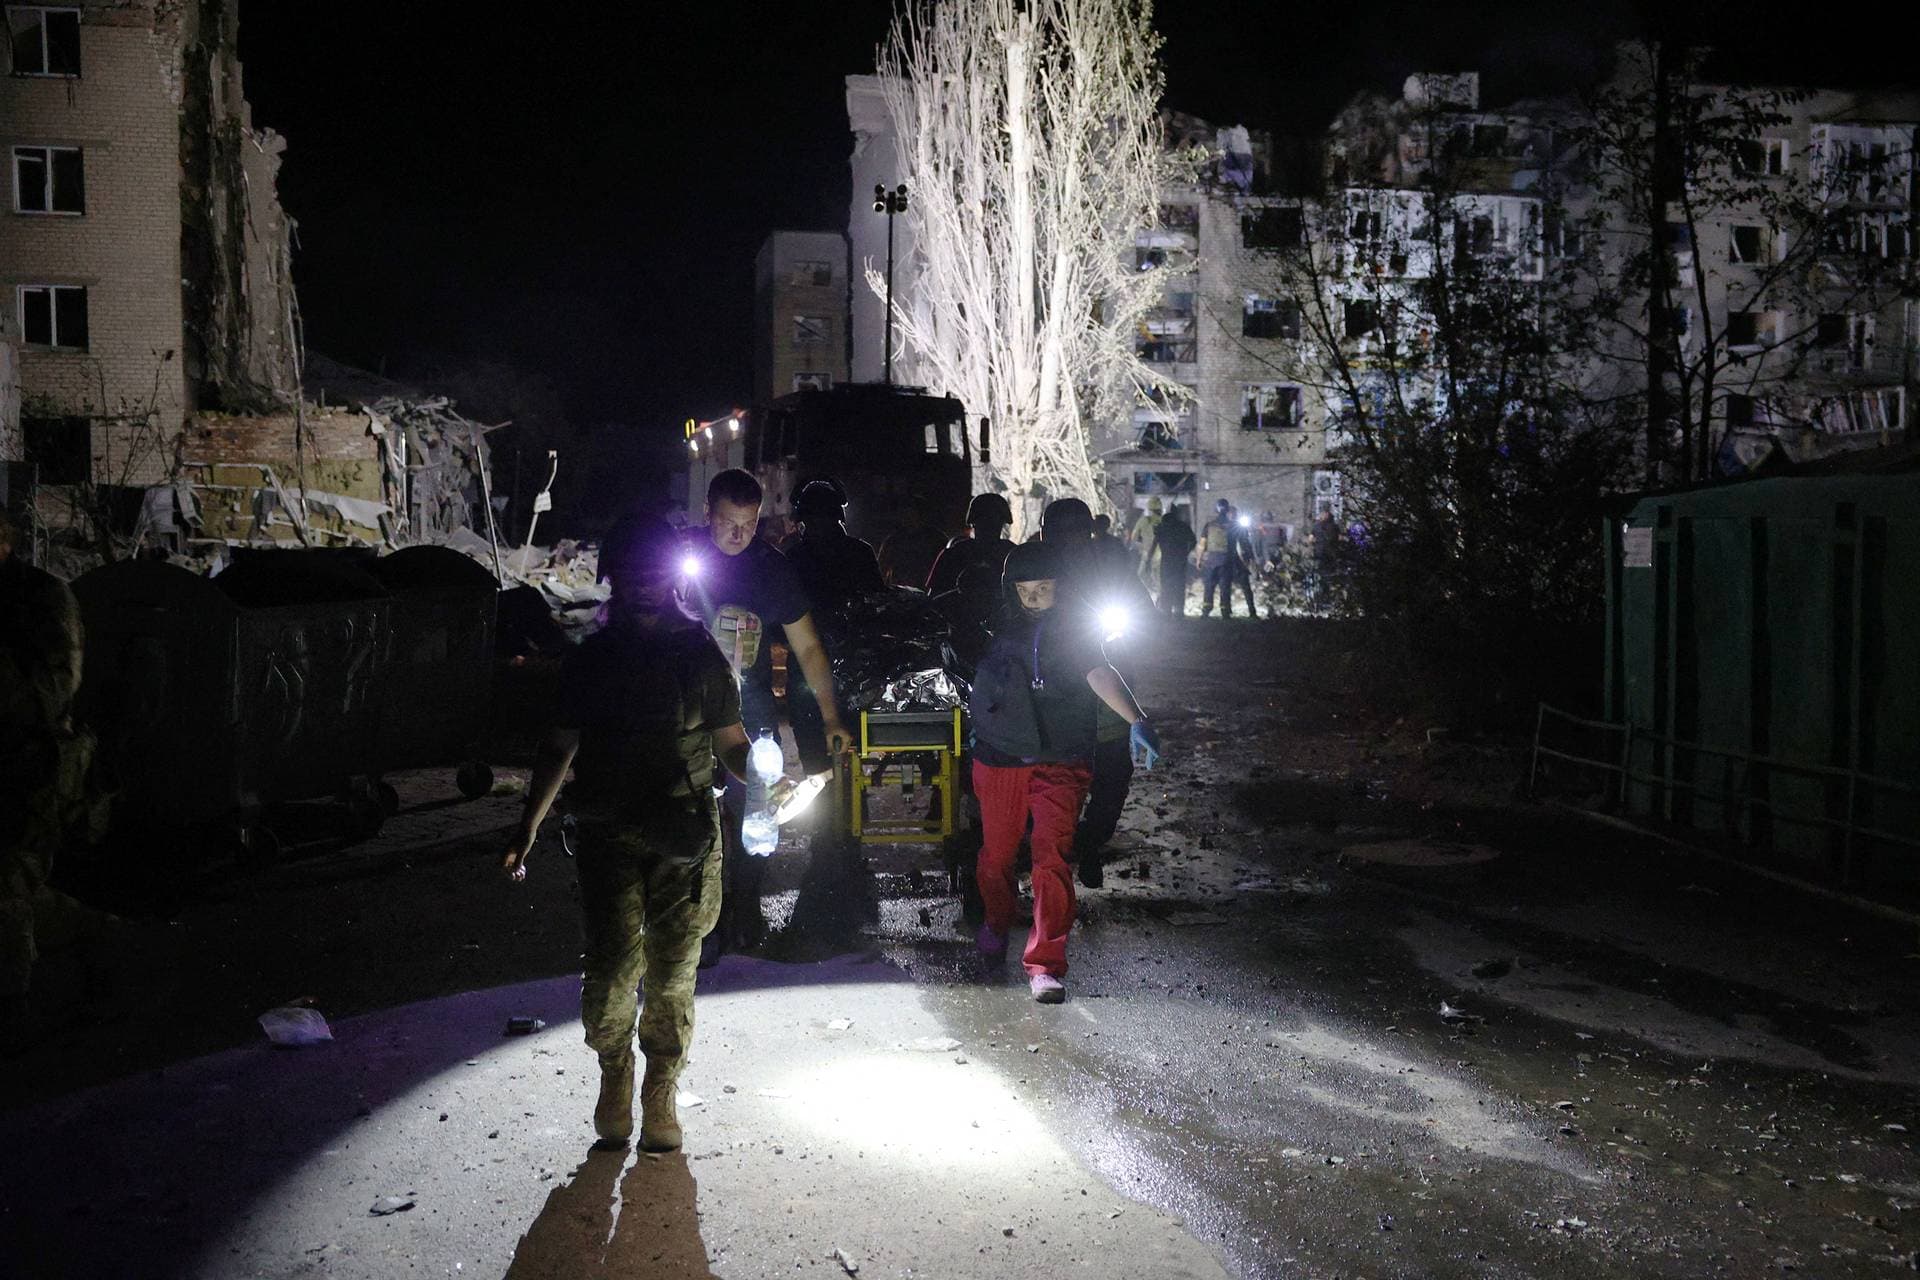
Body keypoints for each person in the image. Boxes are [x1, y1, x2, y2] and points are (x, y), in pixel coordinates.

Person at [502, 513, 755, 1153]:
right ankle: (615, 1072)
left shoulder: (699, 653)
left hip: (684, 835)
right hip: (608, 831)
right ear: (614, 576)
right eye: (631, 571)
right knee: (612, 973)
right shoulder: (592, 660)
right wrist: (527, 826)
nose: (643, 583)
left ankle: (660, 1089)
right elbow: (559, 744)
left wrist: (767, 778)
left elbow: (730, 742)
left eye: (653, 571)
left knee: (672, 975)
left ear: (670, 577)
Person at [969, 542, 1160, 1003]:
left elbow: (1100, 673)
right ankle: (997, 921)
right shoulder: (994, 626)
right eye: (1024, 590)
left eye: (1043, 588)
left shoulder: (1076, 631)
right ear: (1011, 590)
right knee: (997, 856)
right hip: (1001, 757)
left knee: (1051, 859)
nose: (1033, 598)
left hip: (1061, 758)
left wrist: (1137, 719)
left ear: (1061, 586)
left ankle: (1045, 964)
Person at [683, 469, 851, 955]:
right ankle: (698, 920)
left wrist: (831, 717)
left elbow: (808, 647)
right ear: (707, 513)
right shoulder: (681, 560)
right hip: (687, 716)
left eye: (749, 524)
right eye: (727, 523)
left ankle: (743, 906)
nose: (738, 535)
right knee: (691, 818)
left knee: (757, 816)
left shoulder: (770, 569)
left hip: (750, 712)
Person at [0, 510, 113, 1048]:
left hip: (33, 768)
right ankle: (104, 941)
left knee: (6, 885)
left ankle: (12, 1011)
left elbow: (52, 693)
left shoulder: (40, 598)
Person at [1039, 499, 1149, 890]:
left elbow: (1142, 610)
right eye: (1062, 533)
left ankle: (1088, 843)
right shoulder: (1033, 571)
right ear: (1046, 535)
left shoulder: (1110, 567)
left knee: (1113, 777)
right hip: (1052, 704)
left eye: (1078, 532)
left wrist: (1127, 627)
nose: (1071, 541)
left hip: (1108, 695)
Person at [783, 479, 883, 612]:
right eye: (813, 519)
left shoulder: (794, 556)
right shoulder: (861, 551)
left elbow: (877, 600)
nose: (819, 524)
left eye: (823, 518)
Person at [926, 492, 1015, 598]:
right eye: (985, 520)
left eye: (992, 521)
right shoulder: (1012, 554)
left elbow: (932, 598)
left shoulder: (954, 553)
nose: (989, 526)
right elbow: (934, 597)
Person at [877, 505, 946, 591]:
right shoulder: (893, 540)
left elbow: (945, 566)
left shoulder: (936, 538)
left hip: (926, 591)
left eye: (911, 513)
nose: (907, 517)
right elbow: (882, 568)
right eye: (905, 513)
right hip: (901, 591)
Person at [1198, 499, 1240, 618]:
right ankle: (1225, 612)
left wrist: (1199, 559)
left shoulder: (1209, 525)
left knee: (1209, 586)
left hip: (1211, 560)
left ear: (1216, 509)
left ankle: (1206, 611)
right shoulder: (1233, 526)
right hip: (1226, 560)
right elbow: (1239, 546)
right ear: (1227, 510)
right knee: (1225, 586)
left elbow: (1202, 544)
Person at [1150, 506, 1196, 616]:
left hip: (1167, 561)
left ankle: (1167, 609)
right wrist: (1186, 552)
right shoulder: (1183, 526)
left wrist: (1148, 558)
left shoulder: (1162, 527)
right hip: (1180, 561)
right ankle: (1179, 610)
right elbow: (1193, 541)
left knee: (1166, 585)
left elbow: (1154, 543)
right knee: (1179, 585)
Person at [1226, 506, 1261, 620]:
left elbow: (1245, 544)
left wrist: (1249, 558)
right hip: (1231, 561)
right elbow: (1245, 544)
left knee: (1242, 586)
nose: (1233, 515)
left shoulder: (1237, 528)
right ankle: (1228, 611)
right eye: (1232, 513)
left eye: (1234, 513)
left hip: (1235, 561)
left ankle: (1250, 610)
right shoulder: (1233, 527)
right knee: (1228, 586)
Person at [1130, 497, 1164, 586]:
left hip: (1146, 554)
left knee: (1139, 578)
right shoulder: (1165, 521)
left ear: (1149, 509)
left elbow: (1134, 537)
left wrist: (1138, 546)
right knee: (1159, 580)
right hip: (1161, 556)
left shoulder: (1143, 520)